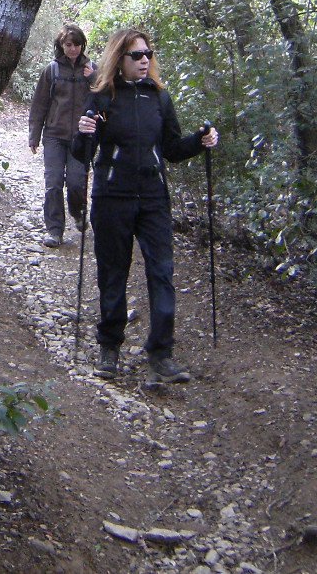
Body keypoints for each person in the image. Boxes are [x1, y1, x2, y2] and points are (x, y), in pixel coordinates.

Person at [72, 27, 218, 386]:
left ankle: (161, 354)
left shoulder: (159, 98)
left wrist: (200, 141)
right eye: (136, 55)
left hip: (153, 198)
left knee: (162, 273)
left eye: (148, 54)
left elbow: (171, 149)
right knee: (113, 273)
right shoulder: (102, 97)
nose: (144, 61)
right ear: (118, 59)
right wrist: (84, 133)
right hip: (112, 198)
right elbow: (81, 153)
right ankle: (109, 347)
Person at [28, 24, 95, 249]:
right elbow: (40, 104)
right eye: (68, 44)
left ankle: (78, 213)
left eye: (77, 45)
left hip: (81, 138)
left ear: (82, 45)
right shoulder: (52, 70)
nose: (73, 49)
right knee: (53, 183)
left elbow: (106, 98)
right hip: (54, 136)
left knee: (77, 182)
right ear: (61, 45)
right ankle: (54, 230)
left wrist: (93, 79)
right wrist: (34, 135)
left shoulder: (92, 69)